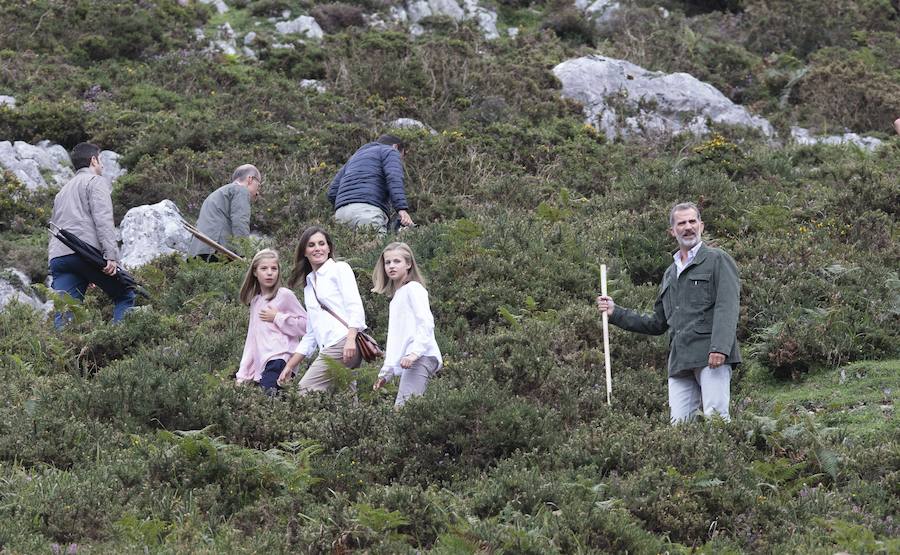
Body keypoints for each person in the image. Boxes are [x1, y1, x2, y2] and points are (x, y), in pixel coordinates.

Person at [596, 202, 741, 423]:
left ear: (701, 225)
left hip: (711, 356)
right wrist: (616, 313)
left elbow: (727, 306)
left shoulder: (717, 260)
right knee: (679, 427)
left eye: (692, 221)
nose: (688, 227)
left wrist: (720, 348)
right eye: (681, 223)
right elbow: (657, 323)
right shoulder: (670, 273)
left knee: (717, 420)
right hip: (679, 362)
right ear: (672, 231)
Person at [48, 142, 135, 328]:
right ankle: (120, 342)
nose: (102, 165)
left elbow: (55, 226)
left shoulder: (61, 192)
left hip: (59, 257)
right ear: (93, 160)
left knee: (66, 314)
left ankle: (60, 355)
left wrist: (89, 273)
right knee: (125, 294)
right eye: (101, 160)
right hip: (84, 252)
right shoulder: (95, 182)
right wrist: (110, 257)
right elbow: (103, 220)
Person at [277, 226, 366, 393]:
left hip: (344, 343)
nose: (317, 248)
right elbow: (311, 334)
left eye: (321, 243)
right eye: (311, 245)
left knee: (304, 392)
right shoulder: (309, 285)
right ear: (304, 251)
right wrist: (290, 365)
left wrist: (350, 339)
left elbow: (355, 306)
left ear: (329, 247)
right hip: (331, 347)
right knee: (345, 401)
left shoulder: (339, 268)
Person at [371, 242, 442, 407]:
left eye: (397, 261)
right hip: (413, 358)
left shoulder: (414, 288)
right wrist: (385, 375)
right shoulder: (396, 298)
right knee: (405, 411)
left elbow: (426, 323)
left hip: (421, 356)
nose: (391, 266)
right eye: (387, 262)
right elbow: (396, 342)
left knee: (403, 410)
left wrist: (414, 354)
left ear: (408, 264)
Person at [236, 249, 308, 395]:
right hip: (263, 364)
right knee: (267, 405)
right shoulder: (256, 301)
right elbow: (252, 340)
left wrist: (278, 317)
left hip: (281, 359)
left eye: (274, 268)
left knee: (267, 401)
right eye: (264, 268)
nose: (269, 273)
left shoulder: (285, 295)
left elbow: (307, 326)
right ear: (255, 272)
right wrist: (242, 375)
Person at [327, 134, 414, 233]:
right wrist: (401, 209)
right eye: (402, 156)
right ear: (396, 146)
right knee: (377, 247)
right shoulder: (390, 151)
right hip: (367, 212)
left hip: (341, 214)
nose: (400, 160)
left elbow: (332, 192)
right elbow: (394, 178)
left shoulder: (354, 157)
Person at [188, 164, 262, 261]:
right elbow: (240, 221)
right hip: (218, 250)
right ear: (250, 179)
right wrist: (244, 253)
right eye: (259, 185)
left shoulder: (215, 195)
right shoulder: (241, 190)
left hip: (198, 252)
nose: (258, 193)